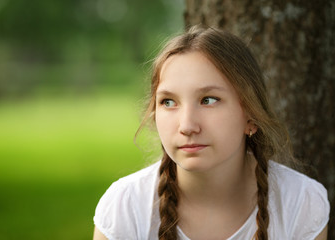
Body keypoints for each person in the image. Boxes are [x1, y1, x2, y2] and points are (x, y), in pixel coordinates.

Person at [92, 26, 330, 240]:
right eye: (168, 102)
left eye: (208, 100)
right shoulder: (125, 208)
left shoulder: (300, 203)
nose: (187, 126)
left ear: (251, 116)